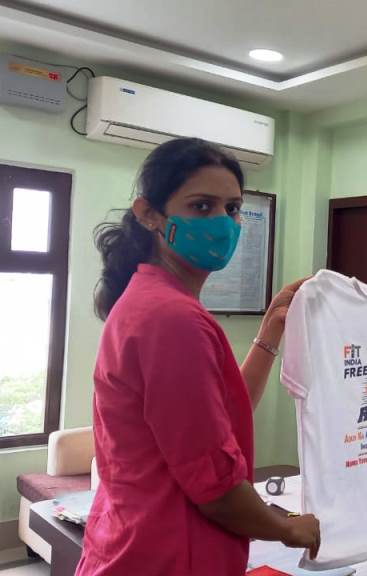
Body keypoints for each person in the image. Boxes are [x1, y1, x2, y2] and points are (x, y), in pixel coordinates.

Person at [75, 138, 319, 575]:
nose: (222, 223)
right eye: (202, 206)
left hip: (139, 541)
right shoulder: (171, 319)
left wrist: (271, 328)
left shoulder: (156, 301)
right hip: (166, 553)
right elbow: (216, 489)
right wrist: (287, 528)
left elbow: (216, 418)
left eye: (232, 208)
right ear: (149, 214)